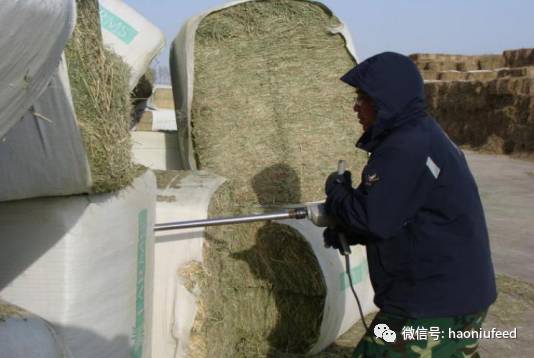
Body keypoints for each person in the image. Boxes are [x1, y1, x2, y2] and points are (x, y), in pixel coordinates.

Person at [323, 52, 497, 357]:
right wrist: (350, 231)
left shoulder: (406, 146)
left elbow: (372, 218)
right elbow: (402, 213)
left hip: (432, 304)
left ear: (384, 100)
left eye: (362, 98)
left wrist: (337, 193)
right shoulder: (420, 135)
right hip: (452, 295)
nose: (356, 107)